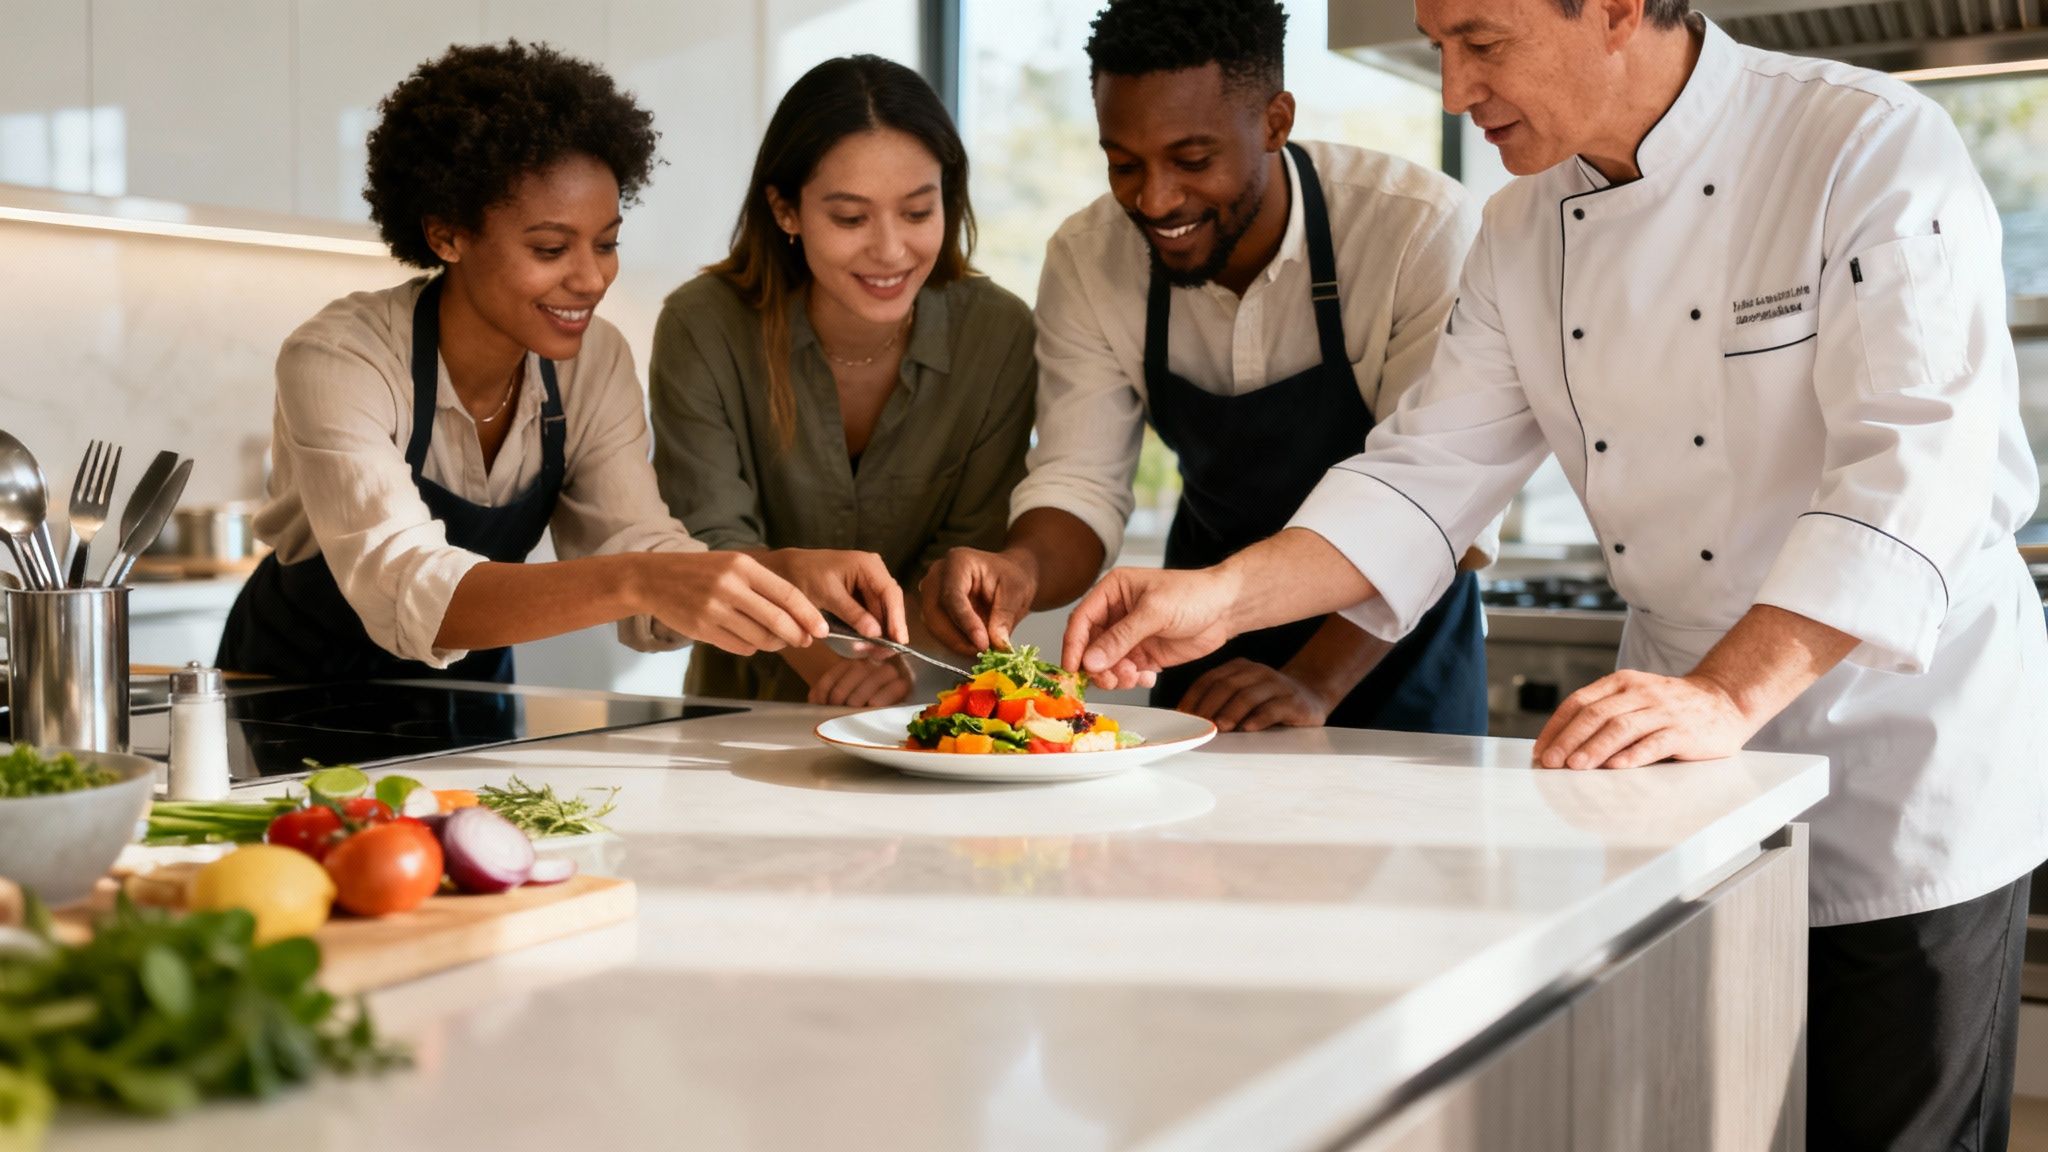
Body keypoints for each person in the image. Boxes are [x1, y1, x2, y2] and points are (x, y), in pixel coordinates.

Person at [1063, 2, 2048, 1147]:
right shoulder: (1524, 227)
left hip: (1895, 757)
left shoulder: (1860, 145)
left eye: (1481, 42)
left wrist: (1728, 695)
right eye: (1438, 45)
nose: (1451, 89)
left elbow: (1914, 467)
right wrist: (1216, 599)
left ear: (1619, 9)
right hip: (1673, 775)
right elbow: (1424, 478)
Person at [218, 41, 901, 684]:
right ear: (446, 233)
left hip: (473, 704)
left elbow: (632, 540)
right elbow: (407, 584)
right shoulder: (343, 357)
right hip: (288, 703)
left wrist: (775, 575)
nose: (591, 279)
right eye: (550, 249)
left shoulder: (593, 361)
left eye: (605, 244)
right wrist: (639, 578)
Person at [919, 0, 1490, 735]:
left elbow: (1440, 507)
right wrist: (1021, 570)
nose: (1154, 199)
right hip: (1199, 653)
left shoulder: (1417, 230)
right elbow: (1080, 480)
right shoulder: (1088, 257)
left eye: (1192, 161)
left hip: (1389, 655)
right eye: (1123, 164)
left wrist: (1312, 684)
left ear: (1276, 122)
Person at [651, 56, 1036, 707]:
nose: (890, 251)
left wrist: (897, 673)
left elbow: (965, 553)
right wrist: (833, 671)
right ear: (786, 209)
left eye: (918, 213)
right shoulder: (702, 325)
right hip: (739, 716)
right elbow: (713, 543)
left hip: (927, 707)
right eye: (851, 219)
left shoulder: (997, 334)